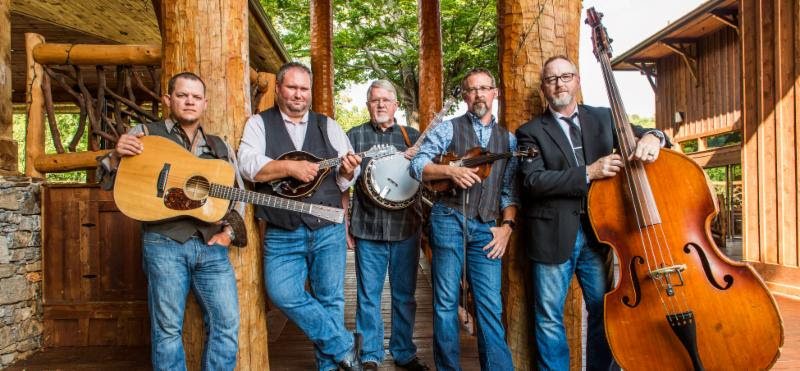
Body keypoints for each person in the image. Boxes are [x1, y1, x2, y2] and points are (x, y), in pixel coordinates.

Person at [516, 55, 670, 371]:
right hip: (553, 237)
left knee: (603, 312)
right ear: (544, 87)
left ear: (577, 80)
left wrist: (655, 137)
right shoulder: (529, 131)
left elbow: (646, 132)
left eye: (565, 76)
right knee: (548, 317)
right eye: (551, 78)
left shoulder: (603, 117)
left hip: (601, 235)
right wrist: (589, 171)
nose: (559, 83)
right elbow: (533, 181)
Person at [98, 72, 246, 371]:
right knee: (167, 330)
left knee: (227, 324)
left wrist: (229, 233)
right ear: (168, 99)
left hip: (211, 246)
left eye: (195, 97)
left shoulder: (219, 147)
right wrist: (115, 156)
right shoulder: (144, 134)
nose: (189, 101)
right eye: (182, 95)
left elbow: (238, 194)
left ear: (205, 104)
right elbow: (109, 179)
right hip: (163, 242)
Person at [237, 62, 363, 371]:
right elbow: (247, 164)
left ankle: (331, 366)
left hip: (327, 226)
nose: (298, 94)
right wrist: (288, 168)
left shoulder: (328, 125)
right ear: (279, 89)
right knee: (281, 292)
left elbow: (347, 175)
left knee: (330, 298)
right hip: (281, 228)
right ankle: (344, 344)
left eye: (304, 89)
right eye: (292, 87)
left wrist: (348, 171)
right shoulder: (259, 124)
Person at [410, 68, 516, 371]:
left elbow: (508, 191)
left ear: (494, 92)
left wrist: (507, 228)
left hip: (488, 227)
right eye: (472, 89)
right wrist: (449, 171)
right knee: (445, 303)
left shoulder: (507, 140)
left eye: (485, 88)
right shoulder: (448, 129)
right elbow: (417, 165)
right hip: (449, 217)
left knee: (490, 307)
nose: (479, 94)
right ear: (465, 96)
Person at [345, 80, 429, 371]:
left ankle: (404, 352)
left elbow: (428, 176)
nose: (380, 104)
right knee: (368, 295)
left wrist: (417, 159)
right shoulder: (353, 136)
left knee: (404, 294)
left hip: (406, 226)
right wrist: (345, 223)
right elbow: (343, 184)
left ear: (395, 105)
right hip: (367, 226)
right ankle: (369, 354)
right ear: (368, 104)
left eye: (386, 100)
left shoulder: (413, 136)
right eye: (374, 100)